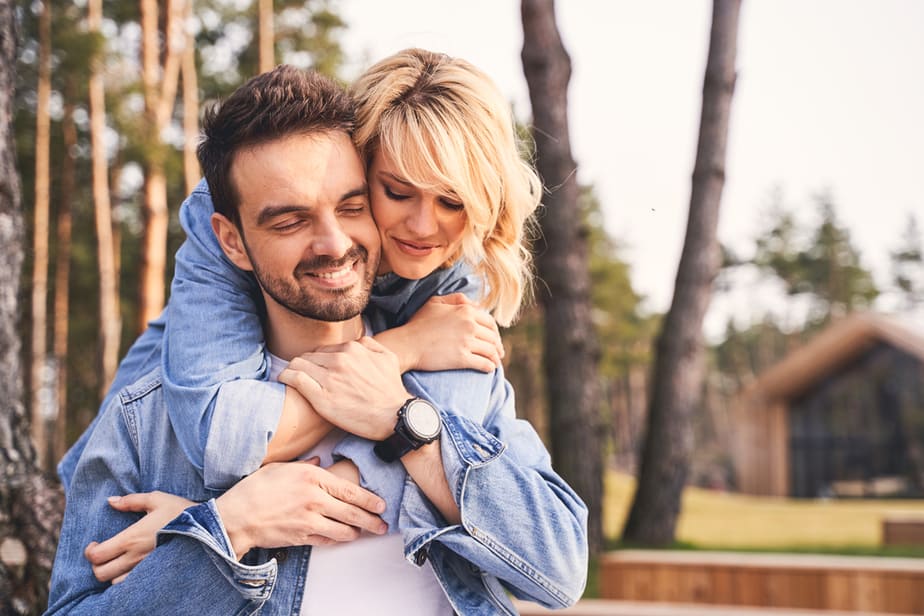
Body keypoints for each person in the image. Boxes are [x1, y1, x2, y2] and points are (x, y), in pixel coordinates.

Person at [51, 52, 588, 613]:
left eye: (349, 208)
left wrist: (402, 425)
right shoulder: (151, 412)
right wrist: (227, 525)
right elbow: (220, 444)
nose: (423, 225)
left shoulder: (452, 330)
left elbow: (559, 567)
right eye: (290, 220)